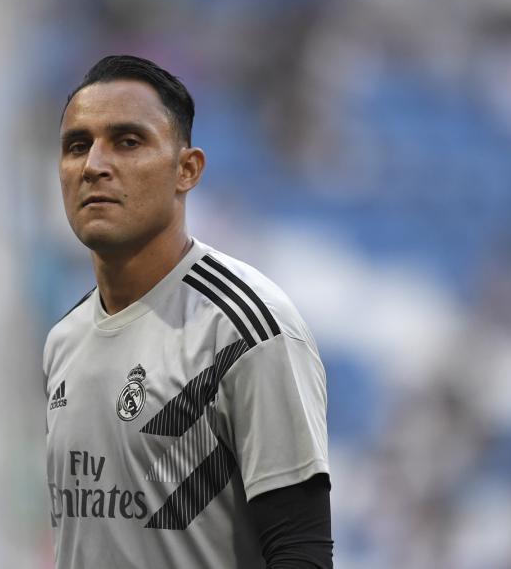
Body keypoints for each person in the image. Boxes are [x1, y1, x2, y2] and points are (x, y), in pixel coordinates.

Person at [44, 55, 333, 568]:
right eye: (77, 146)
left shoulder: (246, 329)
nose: (94, 165)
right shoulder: (63, 340)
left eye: (127, 142)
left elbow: (300, 552)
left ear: (187, 170)